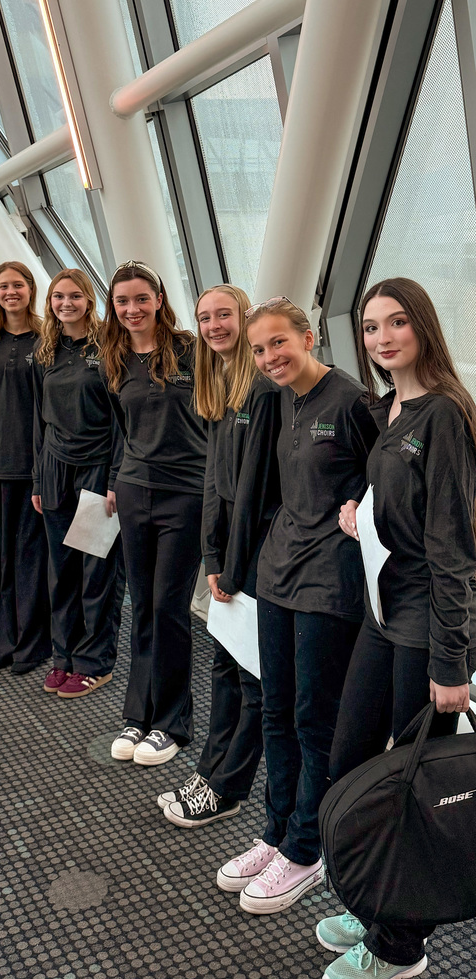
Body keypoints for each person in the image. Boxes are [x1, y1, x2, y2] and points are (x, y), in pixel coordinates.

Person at [317, 278, 476, 979]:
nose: (382, 339)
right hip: (385, 618)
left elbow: (453, 547)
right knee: (352, 759)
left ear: (424, 330)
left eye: (397, 324)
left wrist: (453, 662)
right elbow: (398, 502)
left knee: (413, 787)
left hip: (424, 631)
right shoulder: (391, 409)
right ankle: (377, 901)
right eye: (373, 328)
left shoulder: (442, 414)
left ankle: (400, 941)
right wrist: (362, 511)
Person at [216, 297, 378, 911]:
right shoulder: (278, 399)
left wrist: (359, 506)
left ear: (308, 337)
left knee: (315, 719)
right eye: (259, 350)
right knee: (276, 710)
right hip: (278, 573)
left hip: (328, 583)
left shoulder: (353, 401)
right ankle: (276, 830)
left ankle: (306, 850)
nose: (269, 357)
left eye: (279, 343)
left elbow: (383, 477)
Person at [159, 284, 281, 825]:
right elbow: (216, 481)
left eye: (224, 315)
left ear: (244, 317)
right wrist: (213, 557)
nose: (213, 326)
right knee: (225, 666)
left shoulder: (262, 390)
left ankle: (228, 786)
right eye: (205, 317)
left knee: (252, 677)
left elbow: (255, 491)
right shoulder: (221, 385)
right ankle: (212, 770)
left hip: (258, 555)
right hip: (231, 554)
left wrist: (231, 567)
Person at [100, 260, 206, 765]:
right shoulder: (114, 357)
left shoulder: (191, 349)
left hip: (187, 493)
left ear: (159, 299)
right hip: (134, 490)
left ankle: (171, 723)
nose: (133, 309)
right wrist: (114, 480)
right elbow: (121, 428)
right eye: (123, 301)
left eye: (141, 299)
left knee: (169, 606)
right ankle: (137, 715)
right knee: (141, 604)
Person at [32, 268, 125, 698]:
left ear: (89, 300)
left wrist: (112, 478)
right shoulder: (47, 349)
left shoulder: (109, 347)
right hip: (54, 471)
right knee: (61, 572)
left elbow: (121, 422)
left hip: (94, 471)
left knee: (95, 573)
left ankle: (95, 661)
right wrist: (37, 478)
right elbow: (39, 419)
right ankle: (64, 656)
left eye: (74, 296)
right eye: (57, 297)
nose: (65, 303)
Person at [0, 260, 50, 674]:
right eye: (3, 286)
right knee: (0, 557)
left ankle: (32, 643)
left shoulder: (45, 339)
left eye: (17, 285)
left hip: (33, 466)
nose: (10, 293)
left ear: (29, 290)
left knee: (31, 559)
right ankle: (1, 639)